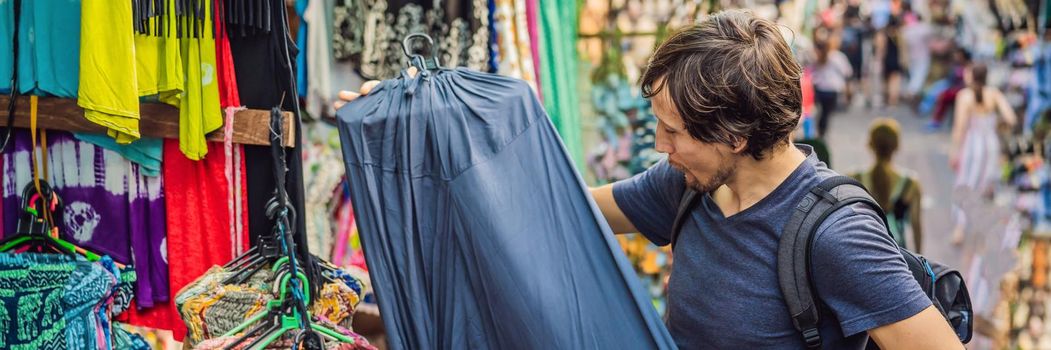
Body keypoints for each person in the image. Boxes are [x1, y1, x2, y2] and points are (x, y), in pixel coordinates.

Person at [338, 10, 962, 349]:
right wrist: (418, 120)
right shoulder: (689, 186)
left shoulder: (835, 235)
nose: (659, 147)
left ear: (734, 136)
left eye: (674, 132)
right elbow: (553, 209)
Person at [851, 118, 923, 252]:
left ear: (870, 144)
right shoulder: (910, 183)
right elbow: (916, 228)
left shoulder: (854, 179)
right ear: (897, 146)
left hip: (862, 253)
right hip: (899, 256)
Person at [950, 63, 1017, 195]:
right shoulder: (994, 94)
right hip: (991, 144)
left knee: (966, 184)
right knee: (983, 186)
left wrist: (954, 152)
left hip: (971, 145)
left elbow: (959, 127)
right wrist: (996, 125)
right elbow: (1011, 119)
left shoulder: (964, 96)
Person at [810, 39, 853, 138]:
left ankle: (819, 131)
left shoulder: (816, 57)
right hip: (832, 90)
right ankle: (822, 132)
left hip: (819, 89)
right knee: (826, 113)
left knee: (820, 112)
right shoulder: (837, 56)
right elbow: (847, 72)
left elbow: (810, 73)